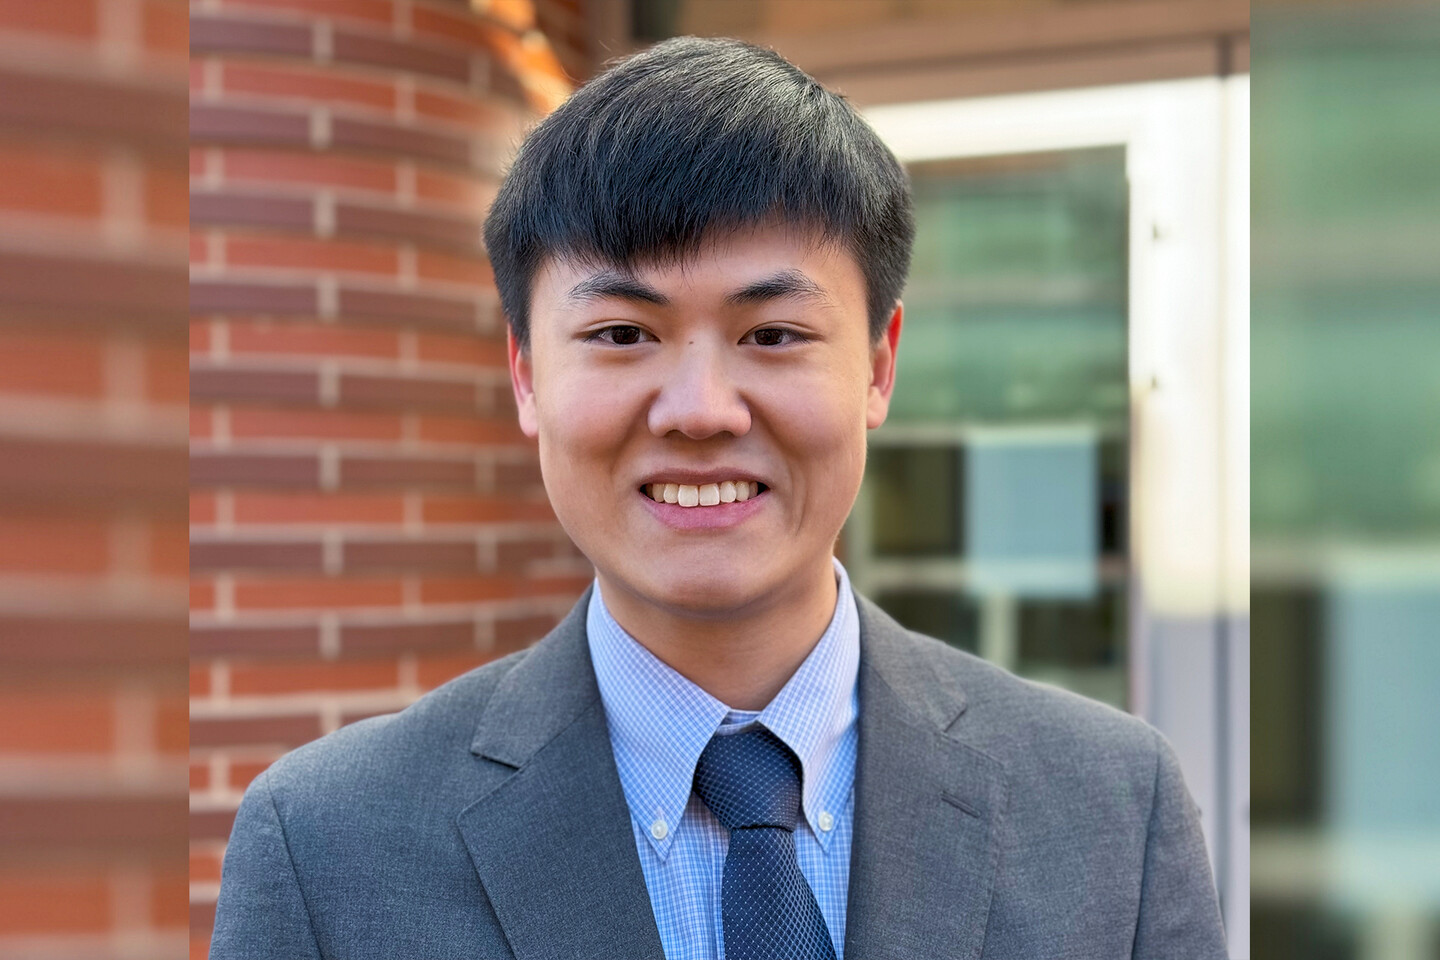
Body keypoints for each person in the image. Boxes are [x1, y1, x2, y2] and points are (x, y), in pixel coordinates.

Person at [210, 36, 1228, 960]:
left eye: (772, 335)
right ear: (526, 375)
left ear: (879, 366)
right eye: (621, 335)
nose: (700, 411)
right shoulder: (326, 849)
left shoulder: (1109, 810)